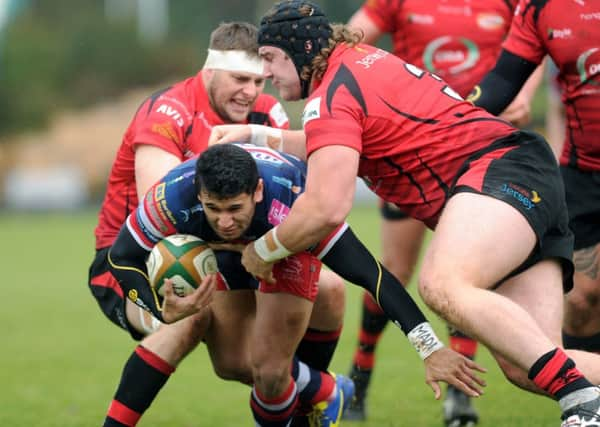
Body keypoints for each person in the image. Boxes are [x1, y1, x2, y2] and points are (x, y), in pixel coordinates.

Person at [210, 1, 600, 425]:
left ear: (299, 51)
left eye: (269, 58)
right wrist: (257, 134)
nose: (266, 73)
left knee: (442, 283)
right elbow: (335, 142)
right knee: (532, 363)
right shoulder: (356, 65)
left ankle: (581, 400)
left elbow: (325, 208)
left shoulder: (333, 93)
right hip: (522, 173)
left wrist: (262, 251)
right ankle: (580, 390)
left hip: (500, 173)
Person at [108, 143, 487, 426]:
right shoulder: (173, 195)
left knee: (271, 373)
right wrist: (159, 309)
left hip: (285, 244)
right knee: (231, 365)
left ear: (256, 191)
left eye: (234, 209)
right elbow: (120, 256)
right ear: (199, 196)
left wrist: (429, 347)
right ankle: (328, 390)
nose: (223, 220)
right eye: (213, 209)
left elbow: (373, 276)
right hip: (228, 256)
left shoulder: (294, 204)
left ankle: (310, 395)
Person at [88, 21, 348, 427]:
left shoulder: (265, 112)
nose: (251, 91)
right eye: (239, 78)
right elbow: (166, 226)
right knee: (211, 334)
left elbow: (286, 193)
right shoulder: (169, 112)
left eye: (259, 80)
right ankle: (324, 390)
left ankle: (311, 403)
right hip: (139, 261)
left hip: (233, 253)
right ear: (209, 71)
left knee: (330, 290)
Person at [344, 1, 545, 423]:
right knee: (394, 270)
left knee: (465, 276)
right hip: (412, 154)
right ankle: (359, 378)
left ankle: (459, 395)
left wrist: (523, 95)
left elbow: (536, 42)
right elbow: (348, 41)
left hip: (482, 153)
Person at [468, 0, 600, 379]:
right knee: (581, 303)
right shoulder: (539, 7)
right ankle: (590, 405)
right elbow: (504, 80)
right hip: (583, 174)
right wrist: (452, 114)